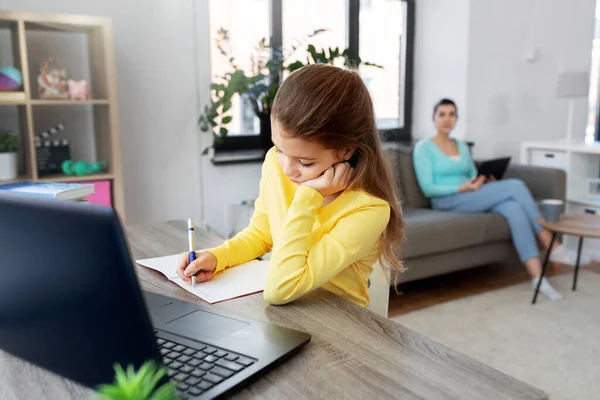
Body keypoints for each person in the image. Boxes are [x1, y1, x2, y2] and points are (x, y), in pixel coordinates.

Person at [176, 64, 404, 306]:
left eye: (305, 162)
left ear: (345, 150)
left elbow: (282, 289)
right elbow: (262, 235)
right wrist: (216, 256)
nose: (286, 169)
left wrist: (308, 196)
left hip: (336, 325)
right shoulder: (275, 164)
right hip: (284, 316)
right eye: (280, 150)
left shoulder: (369, 210)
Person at [412, 98, 590, 301]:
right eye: (441, 114)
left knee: (513, 207)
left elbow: (472, 175)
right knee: (515, 186)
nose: (447, 119)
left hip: (471, 194)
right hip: (446, 200)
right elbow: (428, 189)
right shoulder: (423, 148)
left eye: (451, 114)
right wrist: (463, 187)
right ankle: (551, 243)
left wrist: (483, 181)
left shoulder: (461, 146)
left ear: (456, 118)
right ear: (434, 118)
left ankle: (538, 278)